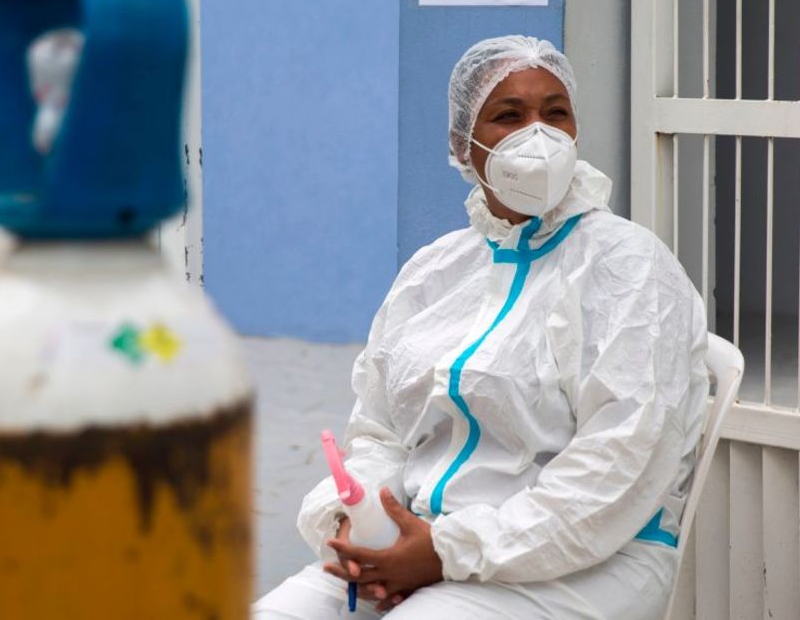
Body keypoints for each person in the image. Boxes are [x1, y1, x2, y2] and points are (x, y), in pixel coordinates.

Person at [254, 35, 710, 619]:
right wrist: (362, 522)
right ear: (463, 145)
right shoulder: (436, 271)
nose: (537, 135)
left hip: (589, 557)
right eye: (508, 116)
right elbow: (380, 433)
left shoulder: (629, 267)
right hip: (421, 541)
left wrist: (446, 553)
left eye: (555, 113)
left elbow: (620, 463)